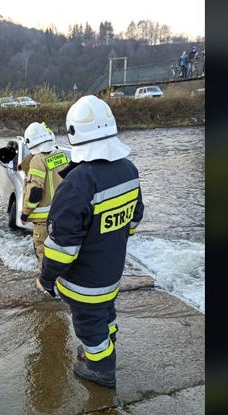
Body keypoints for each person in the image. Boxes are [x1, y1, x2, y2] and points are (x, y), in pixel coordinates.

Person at [38, 95, 144, 388]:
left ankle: (101, 368)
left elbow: (62, 247)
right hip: (112, 272)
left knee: (88, 324)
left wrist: (46, 279)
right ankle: (107, 341)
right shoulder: (128, 170)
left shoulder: (78, 182)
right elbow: (134, 220)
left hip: (84, 282)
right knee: (106, 314)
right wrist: (110, 239)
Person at [19, 122, 69, 281]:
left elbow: (35, 192)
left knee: (43, 252)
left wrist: (25, 213)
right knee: (61, 251)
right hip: (63, 214)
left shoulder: (37, 160)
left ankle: (47, 285)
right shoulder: (61, 155)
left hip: (44, 220)